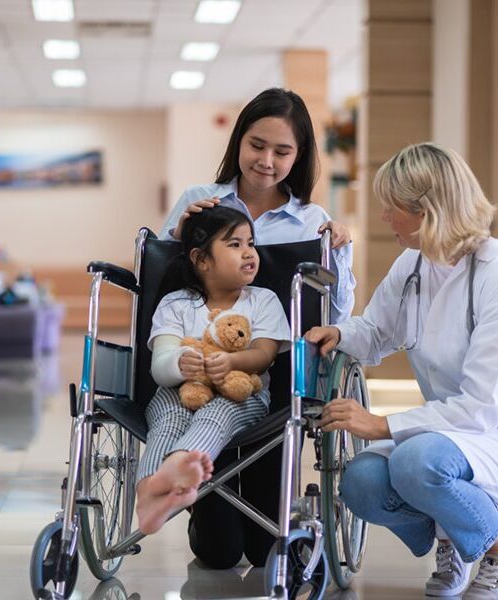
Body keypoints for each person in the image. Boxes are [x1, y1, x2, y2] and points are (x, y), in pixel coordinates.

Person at [306, 142, 498, 599]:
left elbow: (484, 405)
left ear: (426, 208)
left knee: (416, 463)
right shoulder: (413, 264)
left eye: (393, 206)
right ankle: (453, 536)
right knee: (362, 483)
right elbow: (376, 331)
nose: (385, 216)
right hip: (452, 439)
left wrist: (382, 424)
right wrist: (339, 334)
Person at [159, 87, 357, 568]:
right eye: (257, 145)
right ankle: (203, 508)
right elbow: (161, 286)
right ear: (239, 142)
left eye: (282, 151)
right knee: (219, 553)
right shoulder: (199, 202)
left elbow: (338, 313)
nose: (266, 160)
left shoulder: (312, 221)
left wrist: (341, 253)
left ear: (300, 155)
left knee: (267, 546)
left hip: (276, 383)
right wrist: (176, 238)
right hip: (201, 374)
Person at [136, 206, 290, 535]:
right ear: (201, 259)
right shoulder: (175, 304)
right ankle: (149, 492)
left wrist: (233, 362)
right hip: (178, 391)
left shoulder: (263, 301)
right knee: (167, 419)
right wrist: (179, 363)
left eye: (250, 243)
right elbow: (161, 365)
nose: (249, 252)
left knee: (217, 413)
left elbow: (264, 355)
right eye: (234, 245)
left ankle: (181, 462)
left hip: (241, 393)